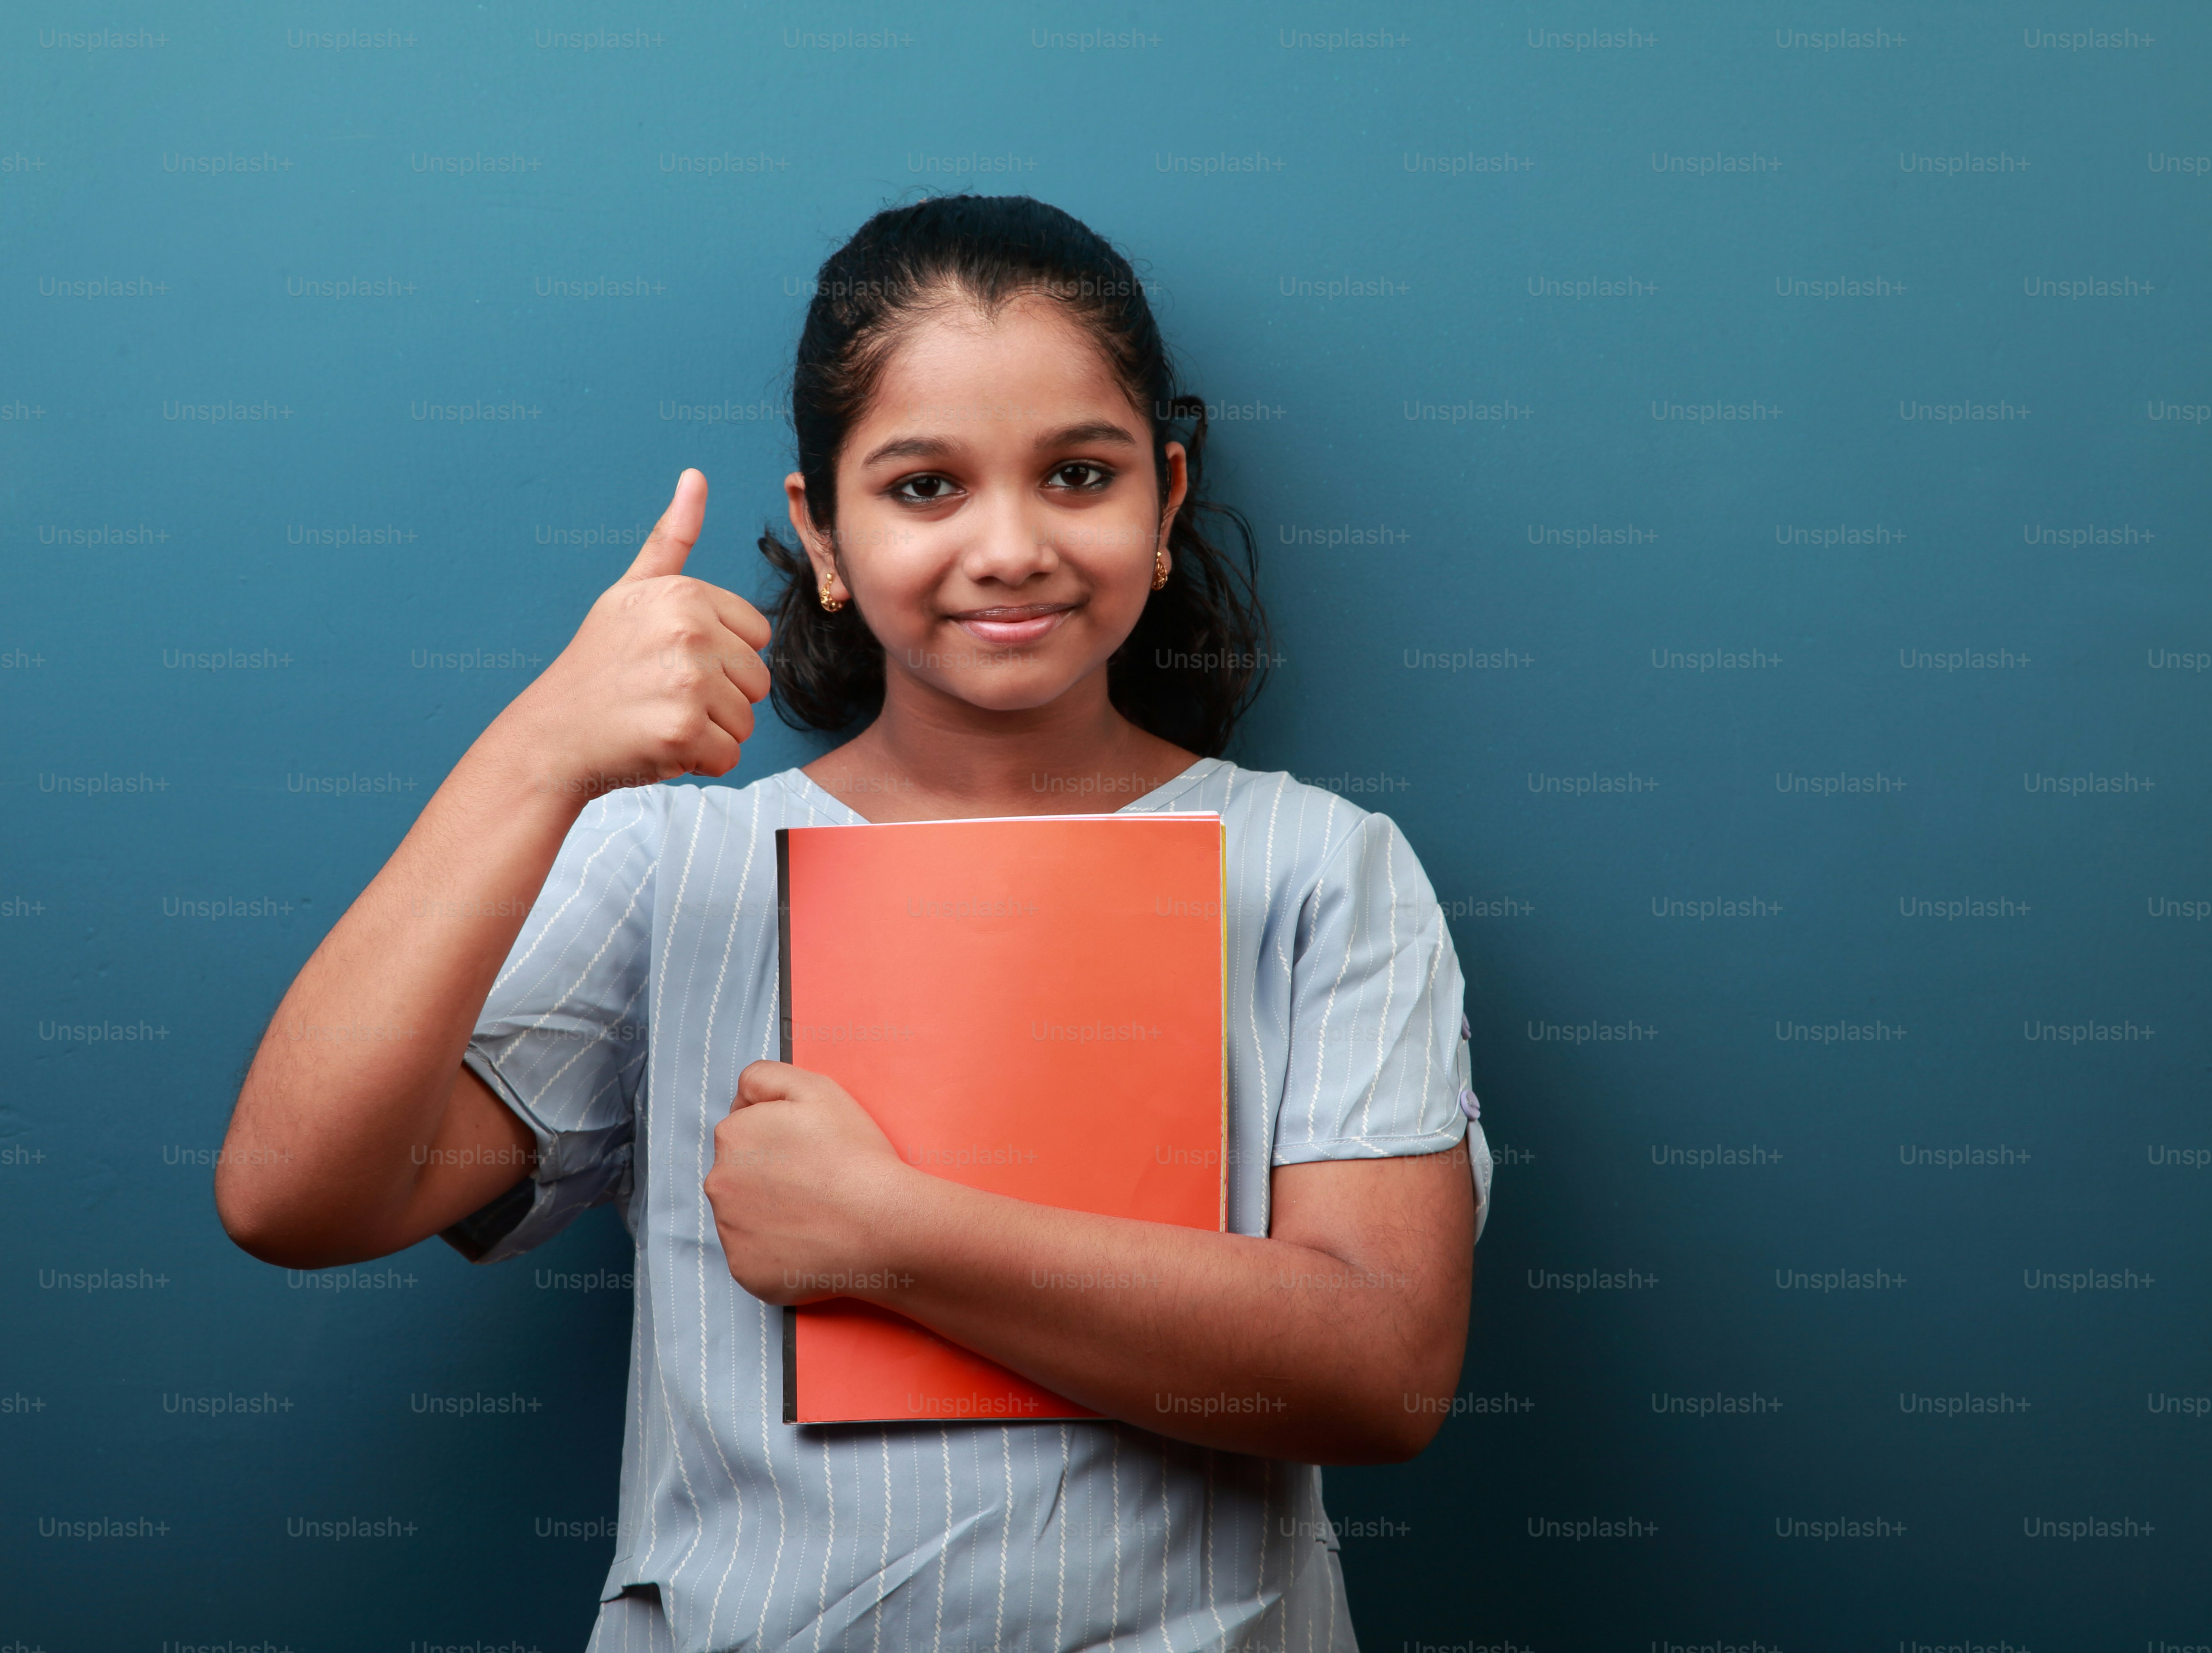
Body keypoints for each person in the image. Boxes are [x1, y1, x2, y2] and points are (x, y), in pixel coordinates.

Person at [215, 193, 1492, 1653]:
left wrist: (893, 1233)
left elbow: (1386, 1369)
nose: (1009, 547)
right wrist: (537, 756)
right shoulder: (674, 866)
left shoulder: (1323, 869)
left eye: (1079, 474)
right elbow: (293, 1198)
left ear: (1167, 501)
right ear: (822, 528)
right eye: (925, 488)